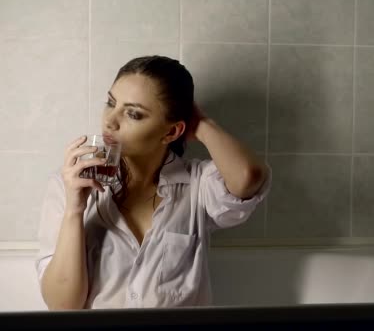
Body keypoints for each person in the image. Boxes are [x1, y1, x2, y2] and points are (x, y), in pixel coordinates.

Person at [34, 55, 271, 309]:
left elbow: (249, 177)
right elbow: (62, 306)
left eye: (133, 114)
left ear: (171, 132)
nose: (110, 121)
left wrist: (201, 124)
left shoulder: (199, 184)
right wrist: (74, 209)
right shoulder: (69, 183)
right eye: (111, 103)